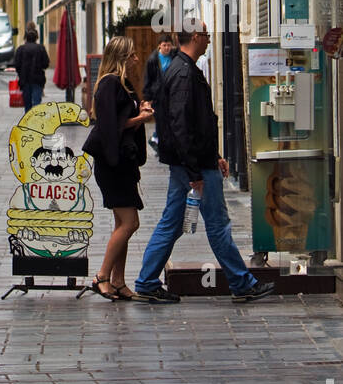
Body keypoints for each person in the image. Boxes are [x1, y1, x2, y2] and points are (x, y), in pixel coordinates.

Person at [134, 27, 275, 304]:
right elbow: (181, 125)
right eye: (207, 35)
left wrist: (216, 155)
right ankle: (241, 282)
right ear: (196, 37)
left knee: (173, 223)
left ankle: (147, 281)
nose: (210, 39)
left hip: (194, 162)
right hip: (194, 166)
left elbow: (195, 124)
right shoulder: (184, 73)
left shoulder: (182, 69)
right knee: (217, 223)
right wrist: (195, 171)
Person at [84, 37, 154, 300]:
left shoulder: (121, 85)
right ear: (122, 57)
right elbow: (110, 125)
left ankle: (118, 281)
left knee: (121, 223)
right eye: (133, 55)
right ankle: (102, 276)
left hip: (123, 163)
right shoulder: (110, 84)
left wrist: (141, 109)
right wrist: (142, 118)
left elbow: (123, 118)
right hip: (112, 165)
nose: (137, 59)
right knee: (130, 222)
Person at [142, 33, 175, 152]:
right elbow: (148, 78)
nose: (167, 48)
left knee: (170, 119)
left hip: (171, 93)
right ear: (159, 46)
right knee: (160, 120)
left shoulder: (175, 56)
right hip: (158, 95)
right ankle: (160, 143)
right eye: (164, 45)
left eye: (169, 45)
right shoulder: (153, 60)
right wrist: (147, 97)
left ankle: (159, 140)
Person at [13, 24, 49, 112]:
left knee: (27, 104)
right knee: (36, 102)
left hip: (25, 80)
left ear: (25, 38)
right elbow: (46, 64)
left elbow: (16, 64)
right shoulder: (41, 48)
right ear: (36, 38)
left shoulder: (20, 49)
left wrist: (20, 73)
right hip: (38, 79)